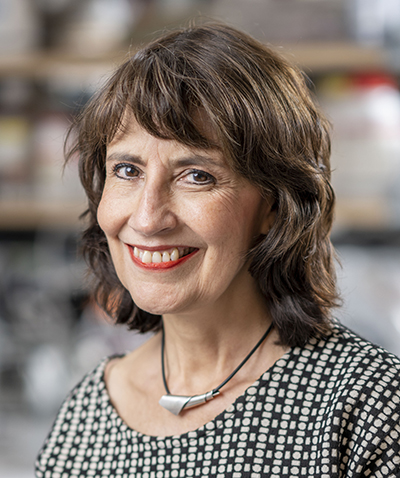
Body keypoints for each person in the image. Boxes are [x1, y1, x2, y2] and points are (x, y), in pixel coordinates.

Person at [35, 22, 400, 477]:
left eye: (197, 176)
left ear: (274, 205)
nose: (148, 219)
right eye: (127, 169)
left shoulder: (366, 407)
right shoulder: (87, 413)